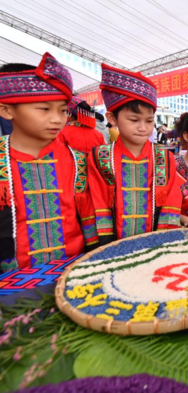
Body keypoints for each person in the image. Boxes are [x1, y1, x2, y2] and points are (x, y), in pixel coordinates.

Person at [0, 54, 97, 271]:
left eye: (63, 110)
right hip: (9, 285)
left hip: (73, 274)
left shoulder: (77, 161)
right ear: (6, 110)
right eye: (44, 109)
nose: (57, 119)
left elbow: (89, 222)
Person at [88, 64, 182, 242]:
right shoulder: (100, 157)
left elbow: (172, 202)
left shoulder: (164, 158)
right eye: (134, 120)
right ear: (112, 118)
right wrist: (106, 247)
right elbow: (97, 201)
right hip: (112, 246)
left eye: (149, 121)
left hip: (156, 244)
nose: (143, 128)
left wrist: (162, 242)